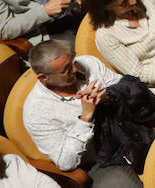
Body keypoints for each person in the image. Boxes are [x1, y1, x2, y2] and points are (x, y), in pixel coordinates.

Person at [23, 40, 143, 187]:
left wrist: (108, 95)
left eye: (72, 62)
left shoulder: (87, 63)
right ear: (43, 78)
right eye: (65, 70)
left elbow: (129, 89)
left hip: (129, 130)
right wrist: (85, 118)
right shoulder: (35, 113)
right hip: (99, 161)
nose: (74, 69)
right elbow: (66, 162)